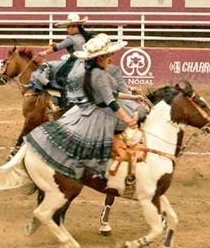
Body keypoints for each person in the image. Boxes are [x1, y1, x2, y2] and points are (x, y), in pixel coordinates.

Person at [24, 34, 146, 181]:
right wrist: (126, 118)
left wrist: (133, 97)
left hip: (94, 108)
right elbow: (110, 101)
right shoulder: (99, 75)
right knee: (140, 112)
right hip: (102, 112)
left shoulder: (92, 72)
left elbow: (111, 93)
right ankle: (120, 154)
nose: (111, 58)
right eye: (108, 55)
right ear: (99, 58)